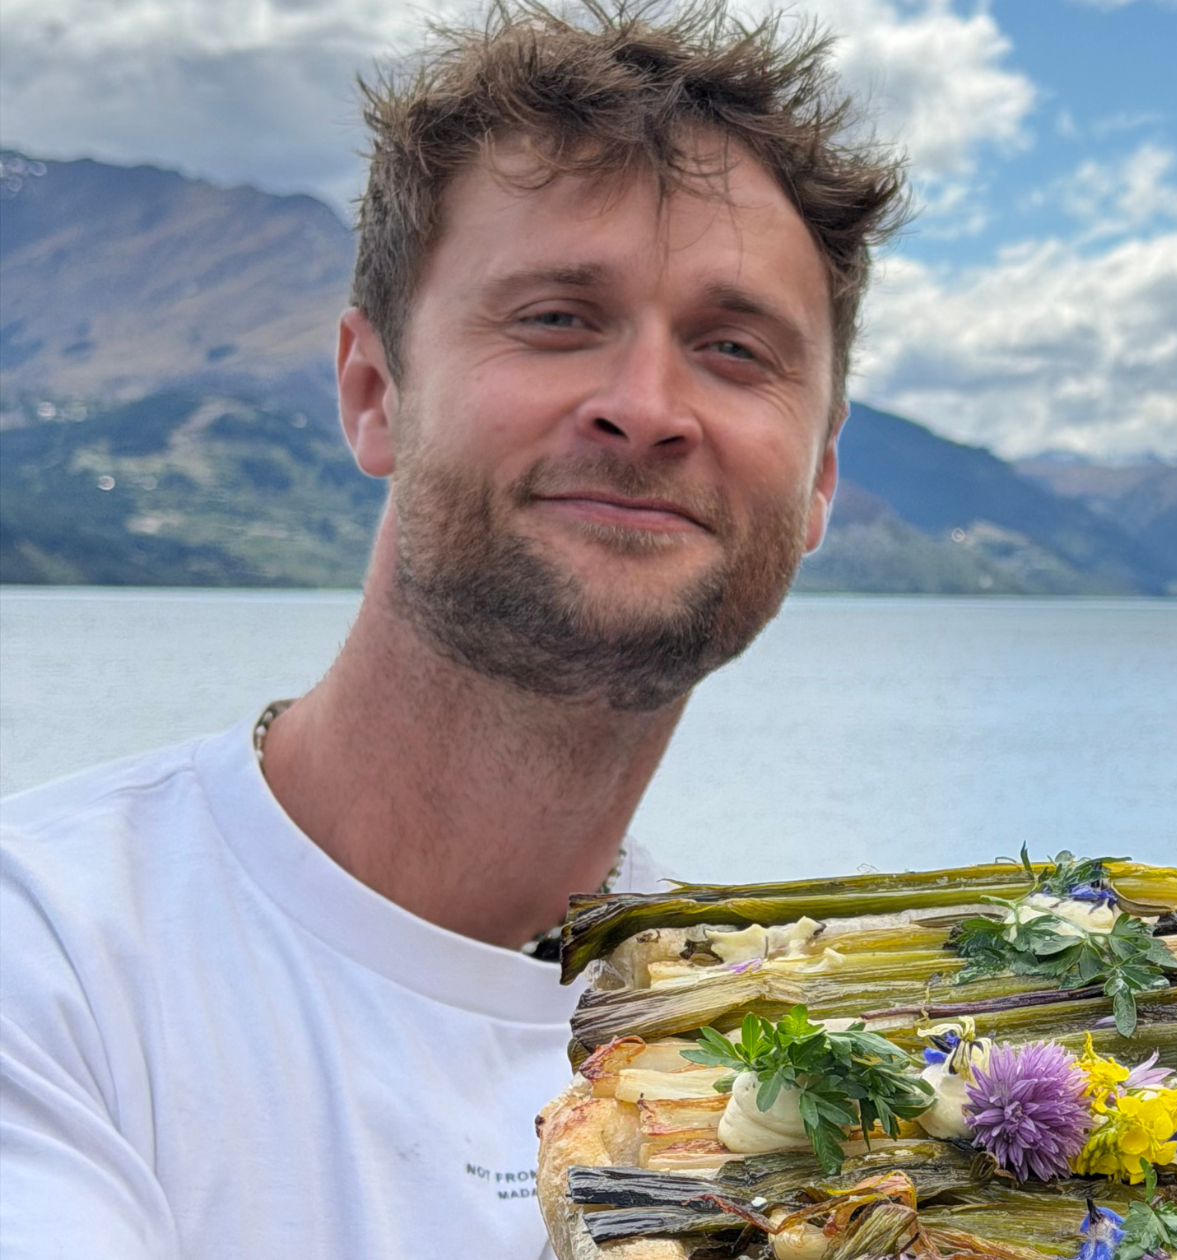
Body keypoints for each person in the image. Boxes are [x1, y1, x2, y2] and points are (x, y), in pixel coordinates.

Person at [0, 5, 904, 1256]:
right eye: (554, 317)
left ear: (816, 484)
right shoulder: (49, 960)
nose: (645, 409)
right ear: (373, 394)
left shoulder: (788, 1045)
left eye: (733, 348)